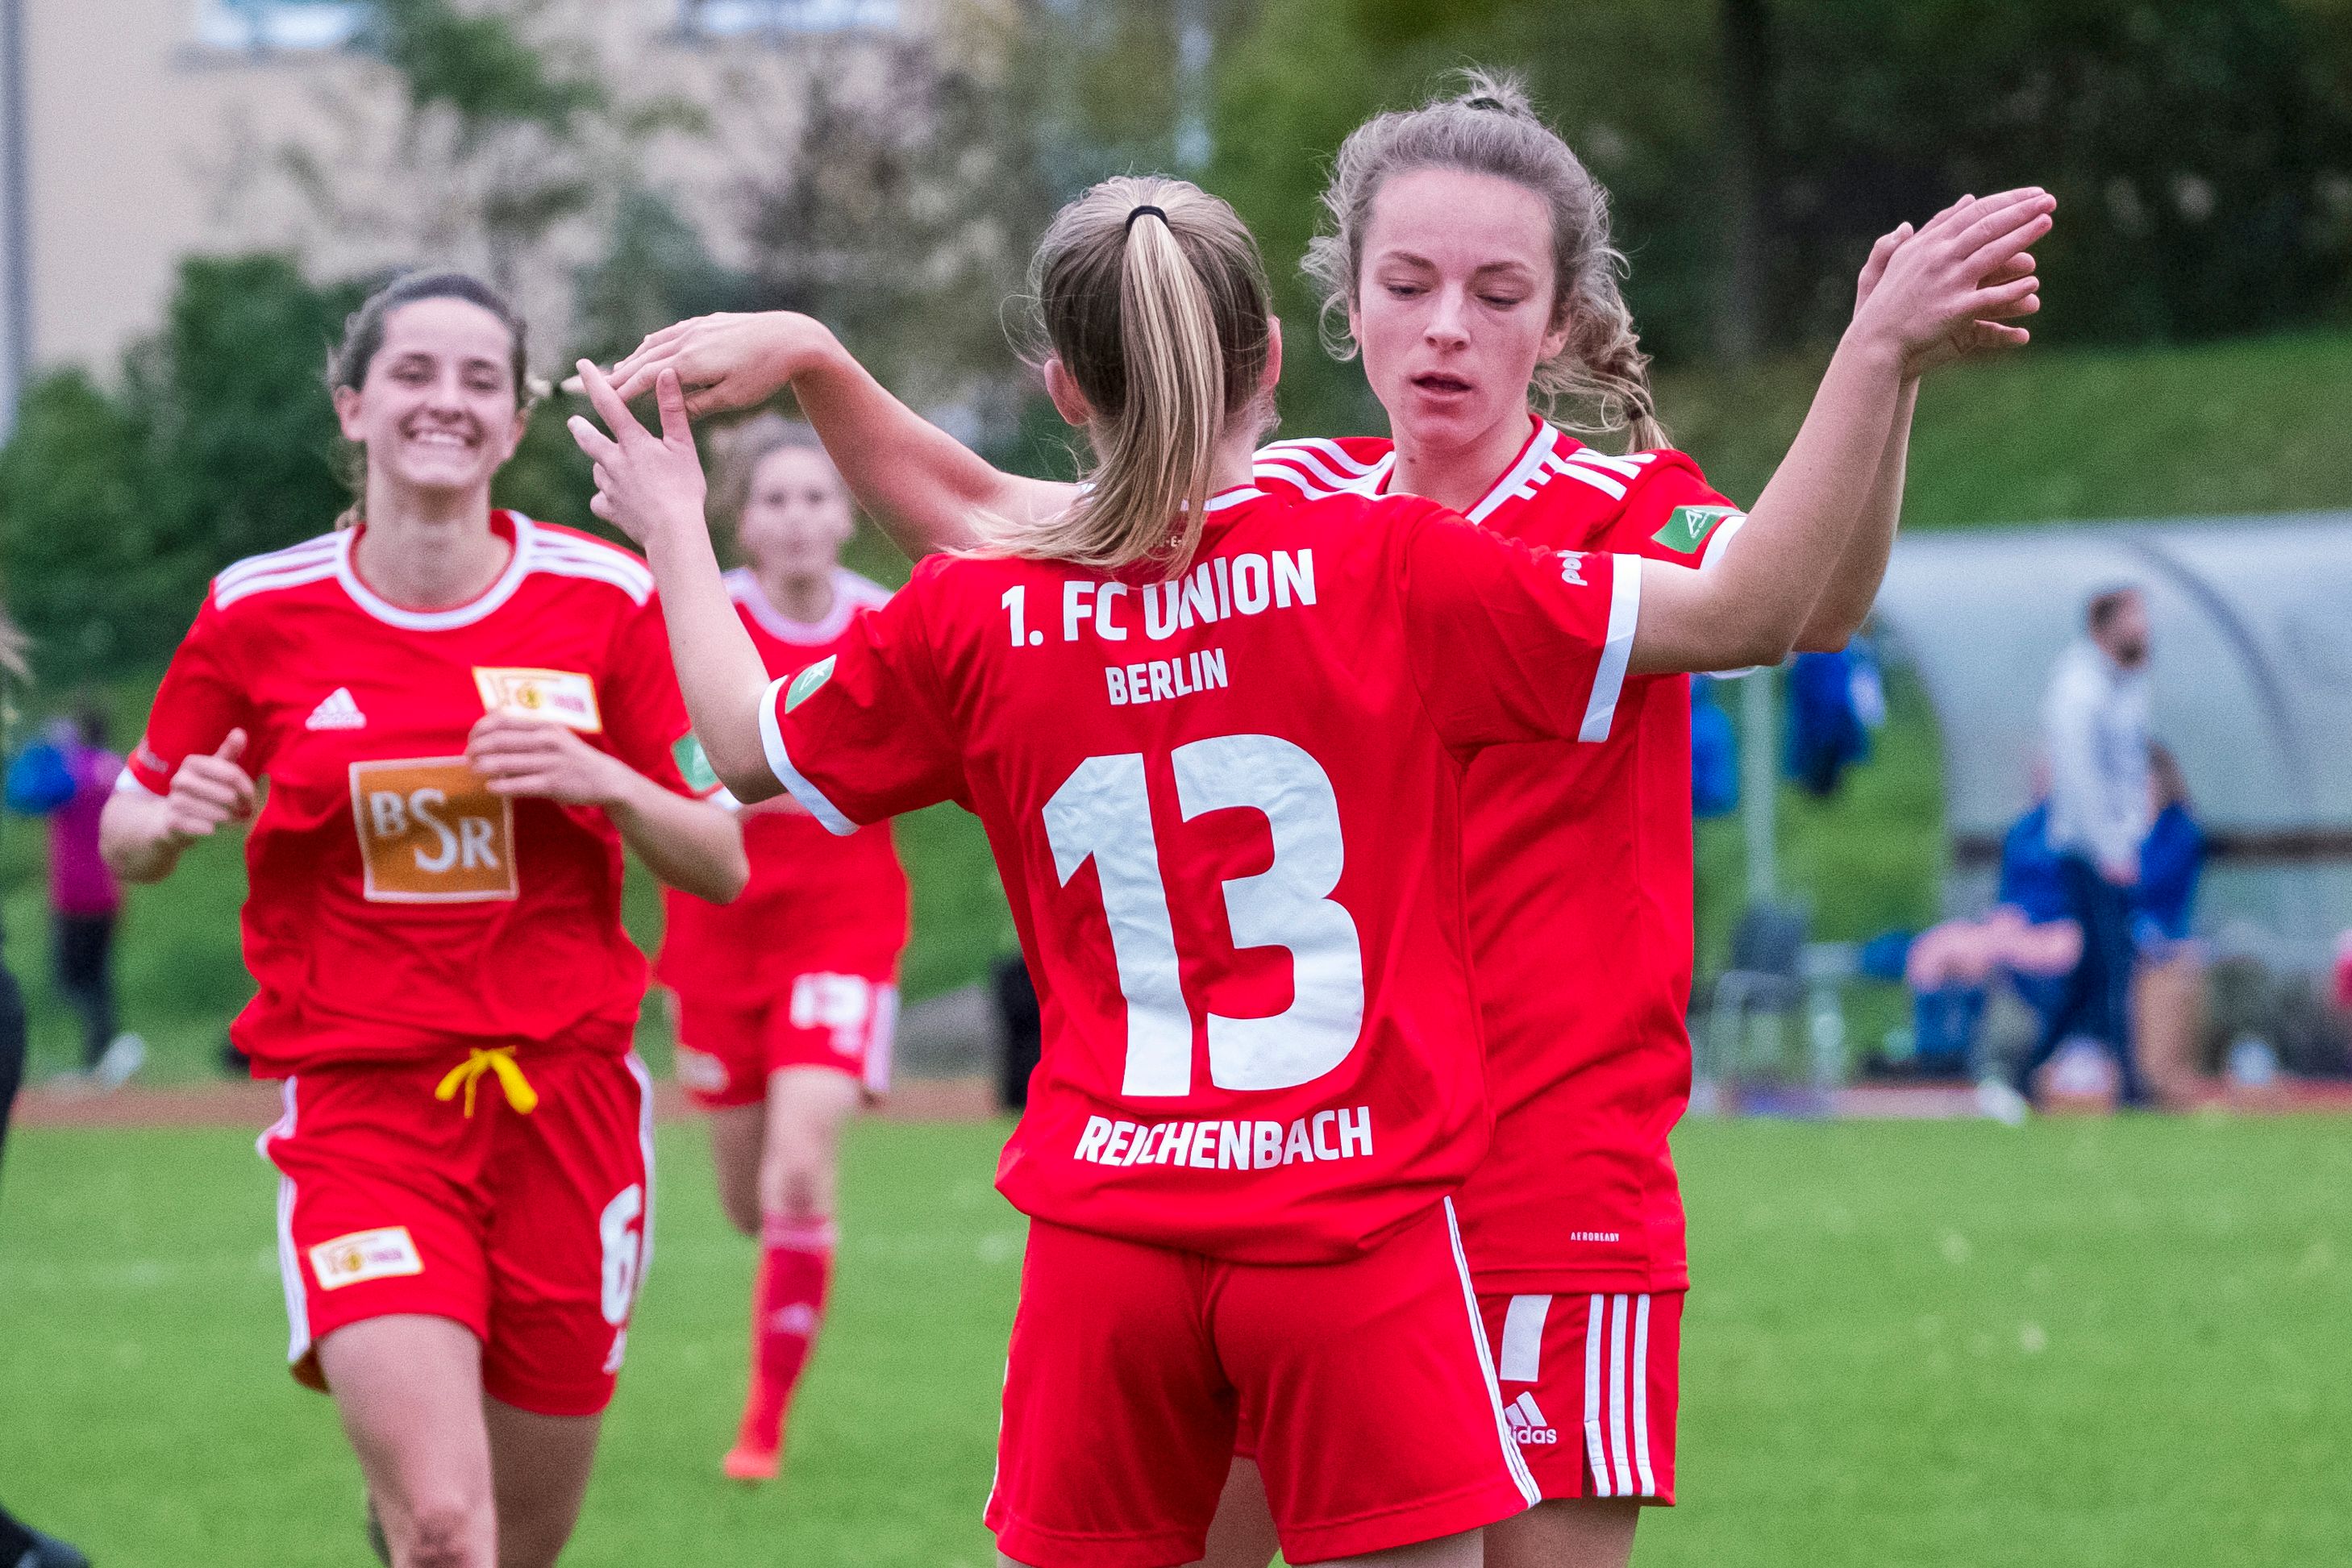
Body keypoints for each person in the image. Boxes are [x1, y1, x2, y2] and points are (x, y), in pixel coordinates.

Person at [589, 74, 2050, 1568]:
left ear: (1556, 324)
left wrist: (1889, 378)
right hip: (1309, 1190)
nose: (1445, 327)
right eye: (1406, 285)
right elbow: (1000, 523)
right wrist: (831, 374)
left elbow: (1811, 602)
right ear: (1331, 315)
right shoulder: (1320, 519)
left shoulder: (1617, 509)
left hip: (1541, 1174)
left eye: (1496, 294)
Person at [98, 271, 747, 1568]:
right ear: (354, 405)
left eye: (476, 381)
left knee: (508, 1543)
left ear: (512, 427)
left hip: (565, 1110)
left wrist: (607, 783)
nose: (442, 401)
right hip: (363, 1108)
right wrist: (169, 826)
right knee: (450, 1525)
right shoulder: (257, 609)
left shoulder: (604, 599)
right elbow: (128, 826)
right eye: (411, 374)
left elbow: (721, 857)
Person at [652, 414, 910, 1481]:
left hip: (843, 930)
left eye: (817, 497)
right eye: (775, 500)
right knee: (748, 1198)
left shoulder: (892, 623)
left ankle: (761, 1429)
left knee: (802, 1172)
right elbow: (674, 761)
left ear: (847, 513)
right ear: (740, 522)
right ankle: (784, 1299)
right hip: (717, 936)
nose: (799, 518)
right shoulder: (703, 621)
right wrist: (724, 787)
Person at [0, 620, 92, 1568]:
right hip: (69, 903)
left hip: (79, 903)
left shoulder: (73, 771)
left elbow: (30, 791)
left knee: (92, 987)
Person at [2015, 584, 2153, 1106]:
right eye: (2134, 616)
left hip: (2117, 848)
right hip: (2090, 851)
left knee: (2096, 970)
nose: (2144, 628)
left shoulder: (2125, 683)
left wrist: (2131, 835)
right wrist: (2110, 848)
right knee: (2111, 967)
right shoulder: (2078, 688)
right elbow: (2079, 778)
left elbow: (2129, 769)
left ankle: (2025, 1073)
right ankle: (2130, 1086)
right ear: (2104, 624)